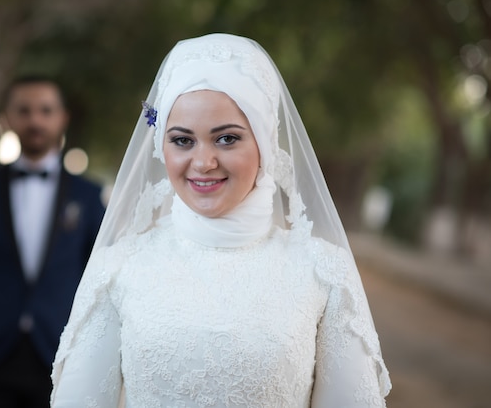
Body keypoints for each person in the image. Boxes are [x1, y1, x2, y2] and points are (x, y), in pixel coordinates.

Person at [51, 34, 391, 407]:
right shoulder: (119, 268)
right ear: (160, 147)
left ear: (264, 143)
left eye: (227, 139)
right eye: (182, 141)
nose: (203, 163)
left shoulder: (324, 273)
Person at [0, 76, 105, 408]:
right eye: (24, 111)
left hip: (60, 360)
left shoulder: (88, 195)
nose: (35, 120)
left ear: (62, 118)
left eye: (45, 111)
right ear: (7, 119)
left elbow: (101, 280)